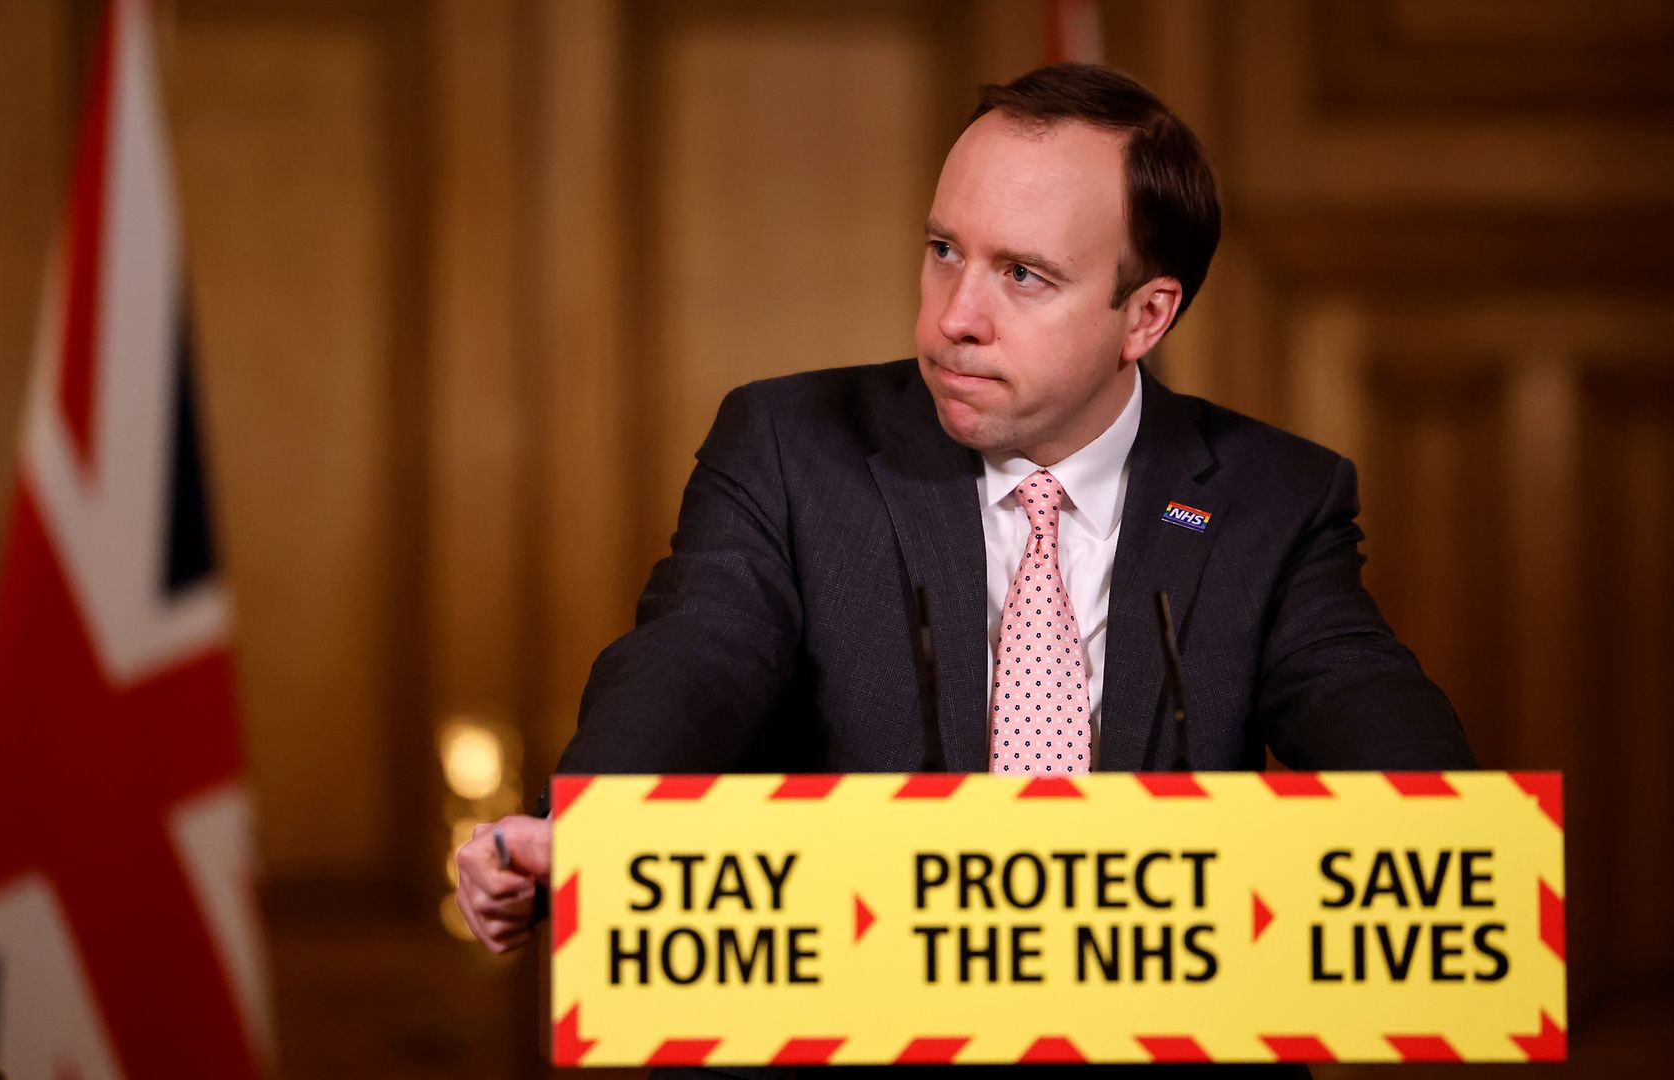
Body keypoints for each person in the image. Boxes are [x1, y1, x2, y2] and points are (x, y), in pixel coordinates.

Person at [455, 62, 1475, 1075]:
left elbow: (1363, 700)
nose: (955, 316)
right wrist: (583, 825)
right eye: (945, 251)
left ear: (1146, 317)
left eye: (1022, 275)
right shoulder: (792, 449)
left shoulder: (1270, 498)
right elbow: (693, 657)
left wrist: (1463, 848)